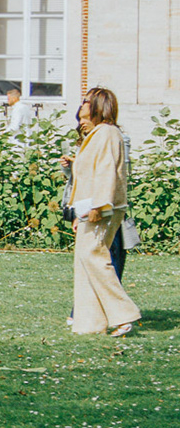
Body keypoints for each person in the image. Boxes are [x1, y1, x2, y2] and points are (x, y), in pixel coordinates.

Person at [68, 88, 138, 336]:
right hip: (89, 207)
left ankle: (124, 314)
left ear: (98, 105)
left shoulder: (107, 133)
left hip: (102, 207)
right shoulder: (97, 133)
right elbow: (90, 173)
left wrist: (99, 206)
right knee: (85, 260)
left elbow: (107, 171)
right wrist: (80, 212)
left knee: (94, 257)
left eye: (86, 101)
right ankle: (90, 323)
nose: (82, 105)